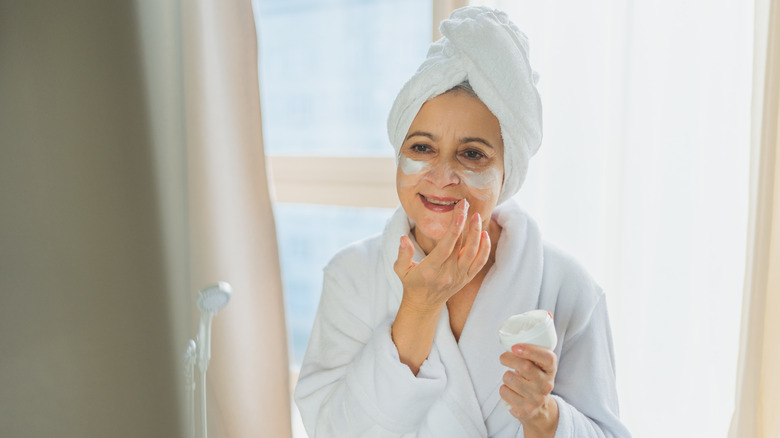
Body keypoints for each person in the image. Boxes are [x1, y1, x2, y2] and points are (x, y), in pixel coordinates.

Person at [294, 6, 631, 438]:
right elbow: (330, 431)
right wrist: (417, 309)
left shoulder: (567, 287)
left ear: (507, 172)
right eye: (421, 147)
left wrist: (543, 416)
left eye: (472, 154)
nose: (441, 176)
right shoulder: (352, 277)